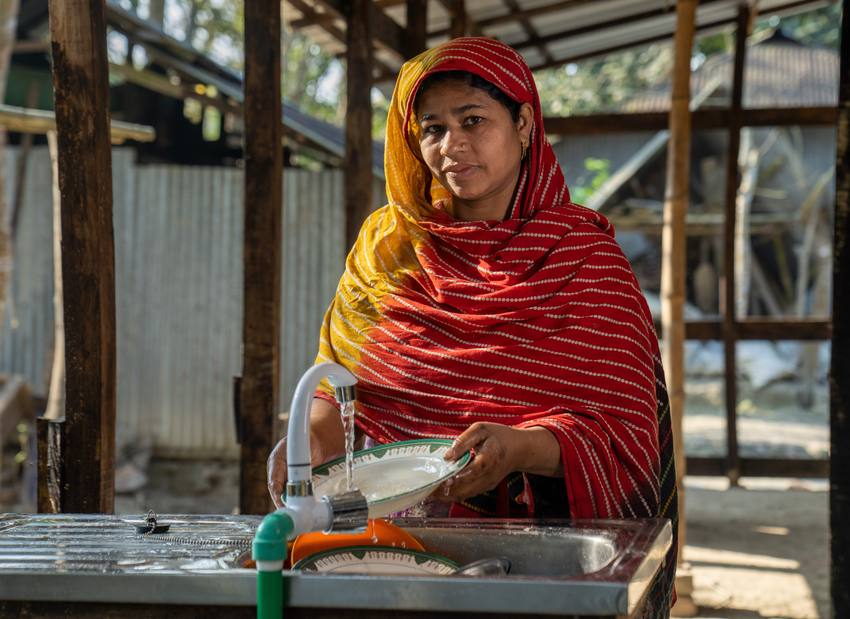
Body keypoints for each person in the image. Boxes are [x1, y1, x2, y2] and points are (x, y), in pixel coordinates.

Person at [267, 37, 677, 617]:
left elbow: (622, 436)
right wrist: (309, 442)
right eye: (431, 129)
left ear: (525, 124)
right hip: (389, 552)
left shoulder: (585, 261)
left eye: (473, 120)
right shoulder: (389, 250)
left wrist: (522, 447)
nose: (451, 145)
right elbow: (342, 394)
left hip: (535, 565)